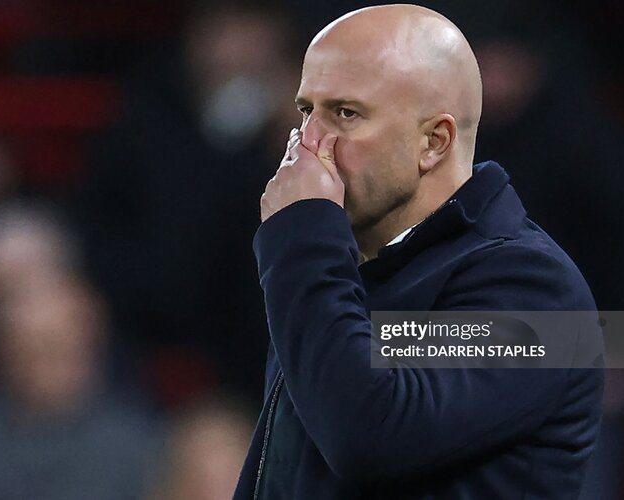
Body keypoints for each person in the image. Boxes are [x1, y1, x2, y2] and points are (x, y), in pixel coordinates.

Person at [235, 4, 604, 499]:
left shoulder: (534, 290)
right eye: (306, 111)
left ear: (434, 141)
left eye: (345, 113)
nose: (309, 143)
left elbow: (364, 433)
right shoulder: (342, 264)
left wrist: (303, 240)